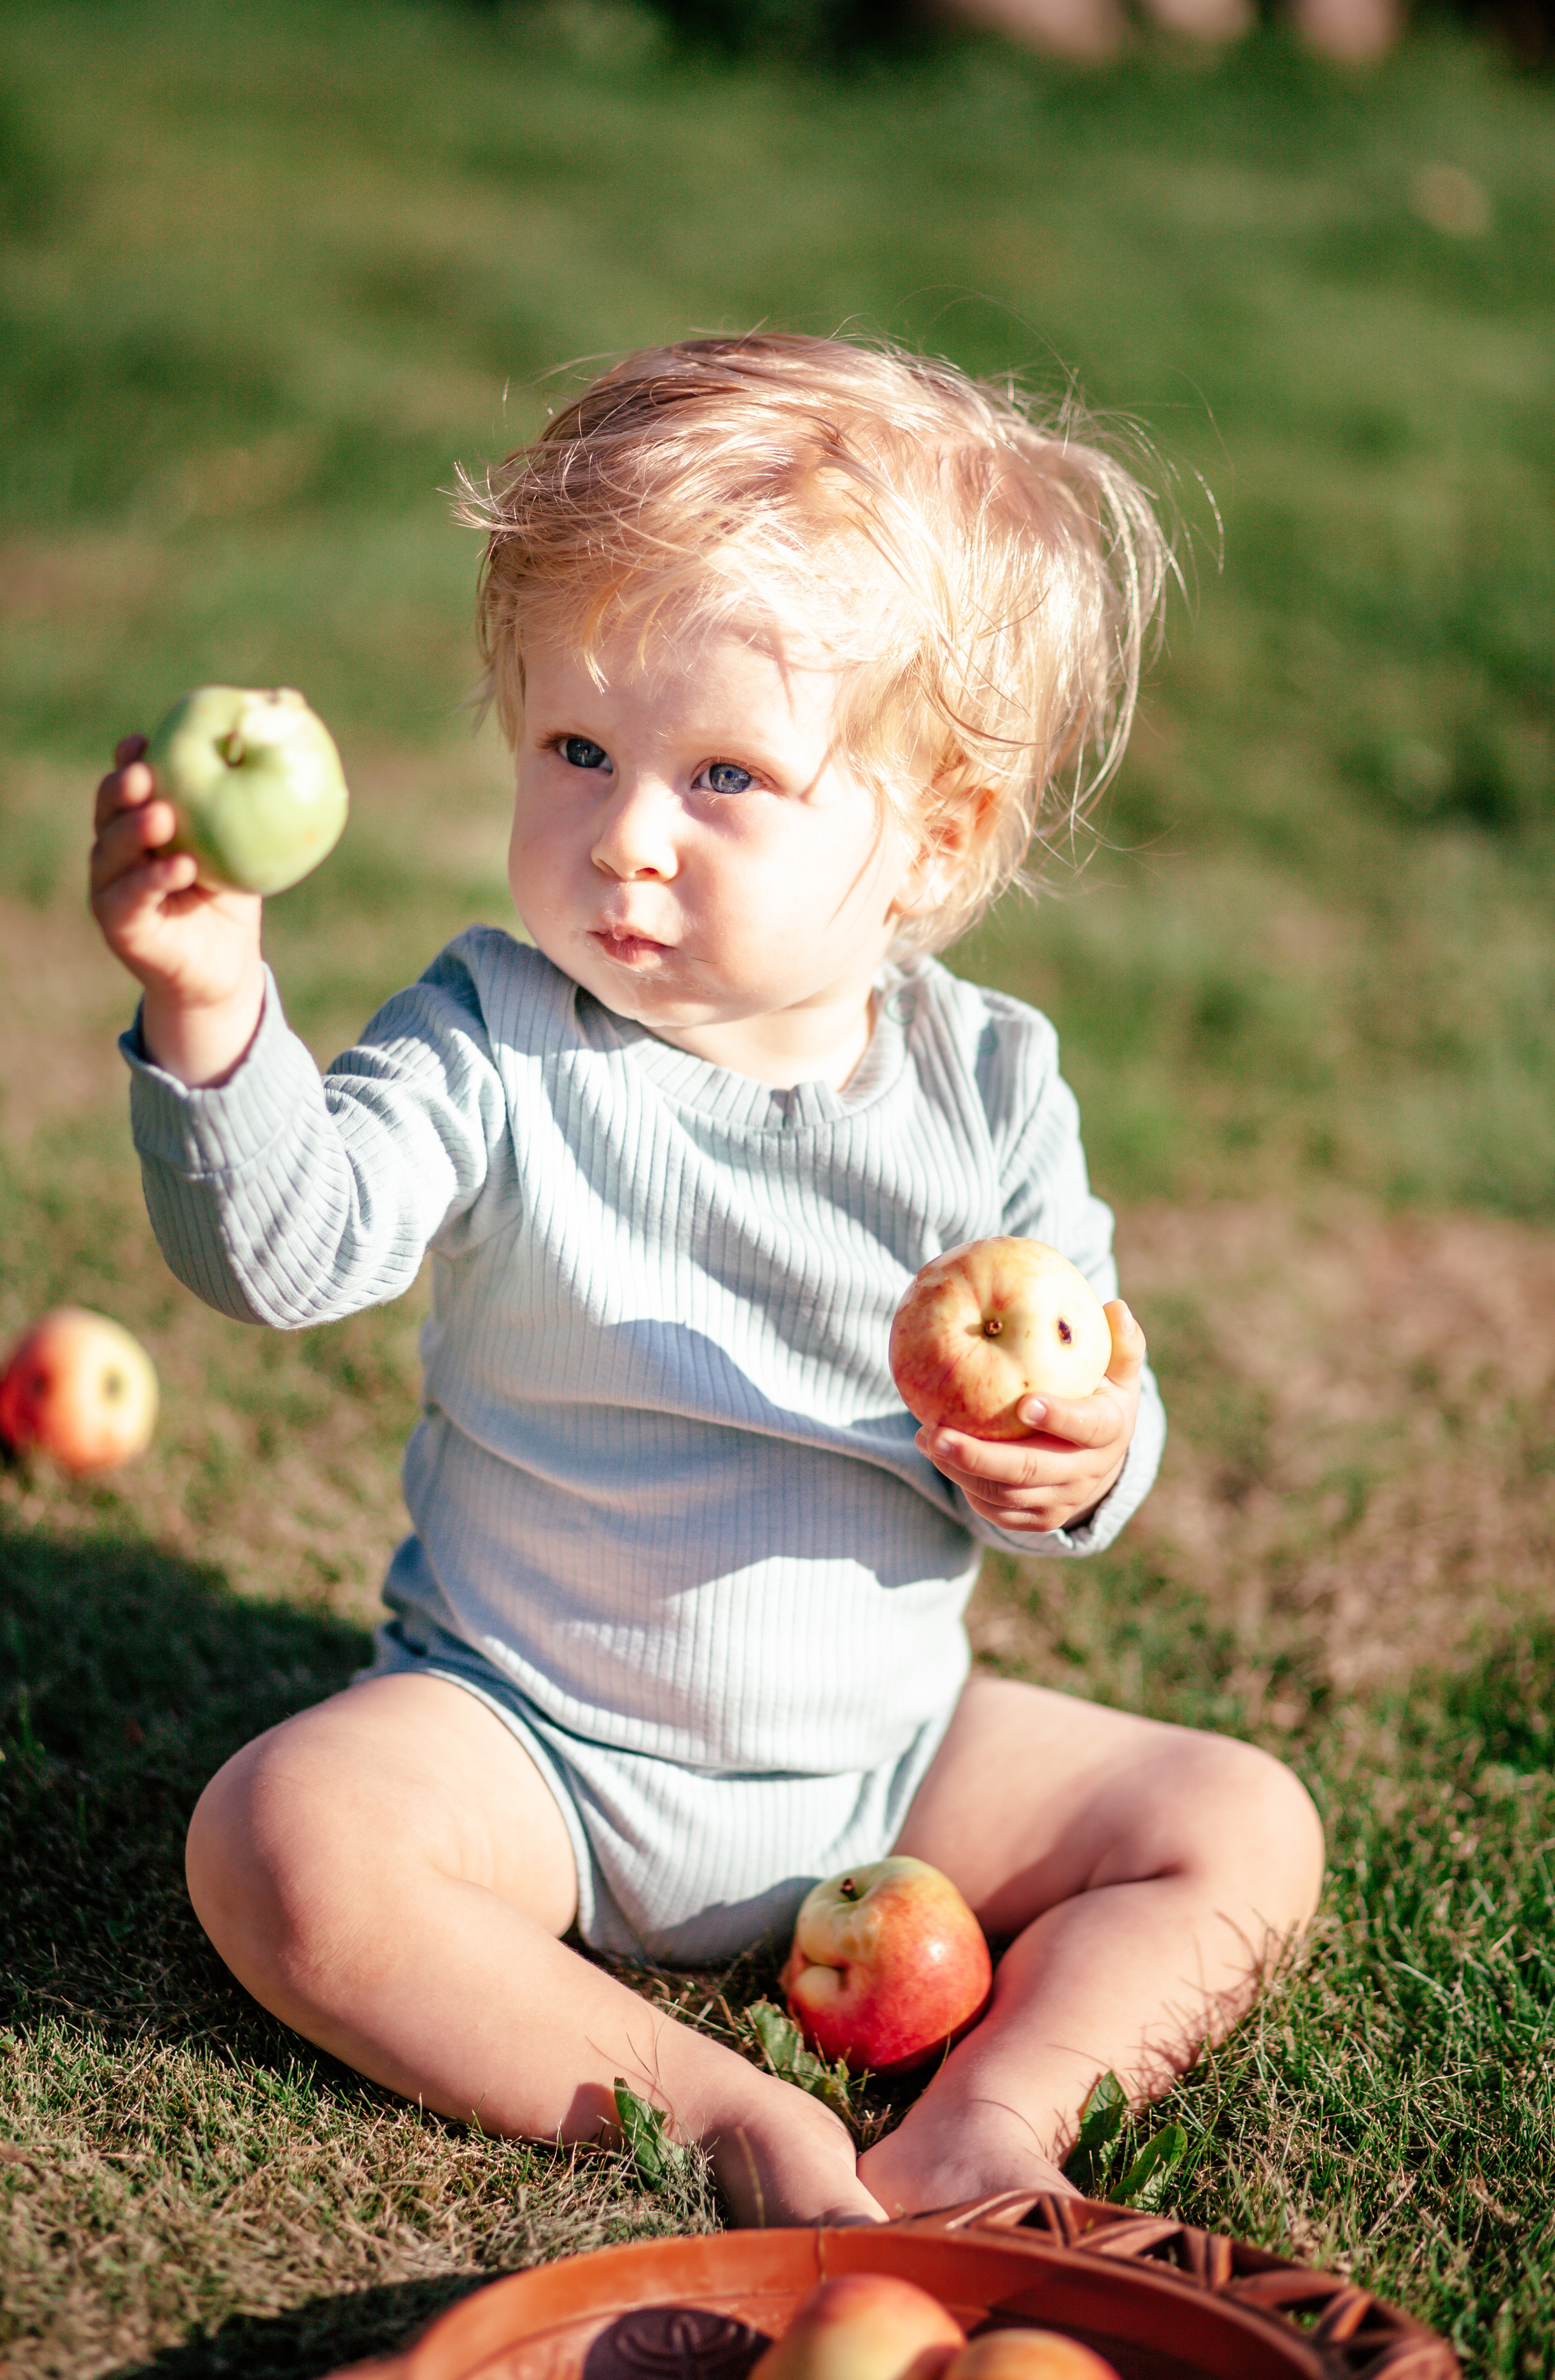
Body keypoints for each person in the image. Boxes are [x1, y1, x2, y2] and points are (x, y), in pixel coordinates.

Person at [89, 334, 1323, 2228]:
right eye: (576, 750)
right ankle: (713, 2110)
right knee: (282, 1839)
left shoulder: (988, 1086)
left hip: (890, 1771)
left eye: (725, 775)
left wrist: (1079, 1455)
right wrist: (209, 1007)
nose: (626, 834)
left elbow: (1085, 1377)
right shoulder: (499, 1038)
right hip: (529, 1749)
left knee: (1244, 1824)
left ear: (936, 840)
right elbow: (289, 1247)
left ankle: (998, 2115)